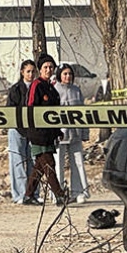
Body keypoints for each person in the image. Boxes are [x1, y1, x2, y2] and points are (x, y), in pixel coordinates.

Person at [18, 55, 67, 206]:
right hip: (38, 133)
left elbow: (54, 113)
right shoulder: (36, 85)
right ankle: (60, 195)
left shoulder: (51, 88)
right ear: (40, 69)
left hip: (49, 133)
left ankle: (28, 195)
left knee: (39, 166)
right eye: (45, 67)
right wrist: (34, 130)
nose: (48, 70)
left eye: (51, 67)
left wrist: (58, 131)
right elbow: (30, 108)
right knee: (48, 163)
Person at [54, 64, 91, 204]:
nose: (67, 76)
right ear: (59, 75)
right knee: (59, 164)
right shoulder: (55, 90)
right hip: (60, 134)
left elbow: (83, 112)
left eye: (69, 74)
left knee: (78, 162)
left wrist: (85, 132)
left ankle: (79, 191)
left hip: (75, 133)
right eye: (65, 74)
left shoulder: (77, 91)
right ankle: (58, 193)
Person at [6, 60, 36, 204]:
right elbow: (10, 111)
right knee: (17, 162)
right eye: (28, 71)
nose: (30, 74)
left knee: (34, 162)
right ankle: (19, 195)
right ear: (22, 72)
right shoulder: (15, 89)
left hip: (34, 130)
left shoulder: (38, 88)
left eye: (32, 71)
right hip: (17, 130)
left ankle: (33, 193)